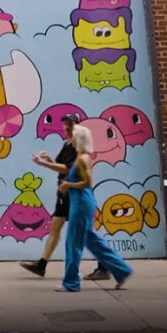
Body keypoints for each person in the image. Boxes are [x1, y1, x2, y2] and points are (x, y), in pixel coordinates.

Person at [32, 124, 133, 291]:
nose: (70, 136)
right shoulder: (83, 157)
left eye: (73, 135)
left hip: (80, 203)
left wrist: (67, 185)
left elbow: (87, 183)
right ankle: (121, 271)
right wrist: (50, 163)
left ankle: (71, 283)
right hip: (82, 202)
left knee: (73, 243)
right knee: (92, 241)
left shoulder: (81, 159)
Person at [20, 113, 109, 280]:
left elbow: (68, 169)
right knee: (55, 225)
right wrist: (49, 160)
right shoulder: (67, 144)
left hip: (74, 192)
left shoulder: (79, 146)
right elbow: (60, 164)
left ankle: (104, 266)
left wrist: (44, 164)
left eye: (70, 125)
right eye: (65, 124)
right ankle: (41, 265)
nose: (67, 128)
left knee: (85, 232)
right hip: (63, 193)